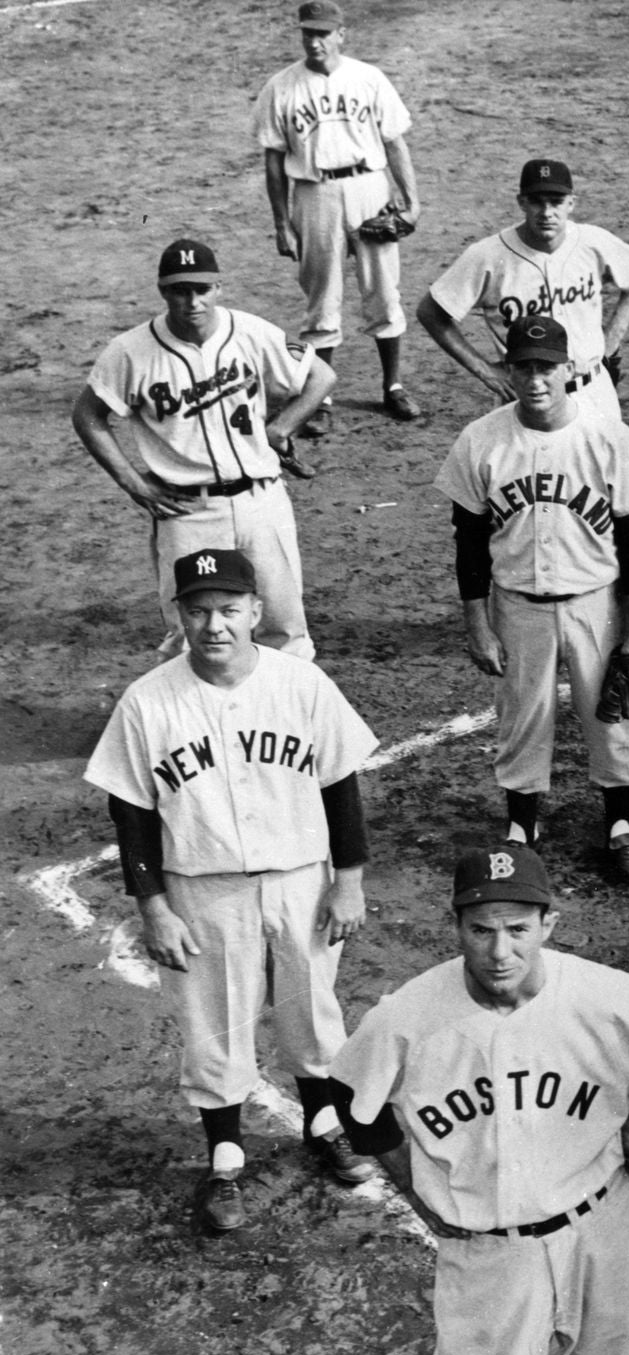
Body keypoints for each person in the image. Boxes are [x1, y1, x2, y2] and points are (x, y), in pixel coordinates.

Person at [330, 844, 629, 1355]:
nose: (499, 951)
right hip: (491, 1250)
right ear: (456, 929)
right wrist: (421, 1198)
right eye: (480, 930)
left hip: (604, 1224)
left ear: (548, 926)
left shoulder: (598, 995)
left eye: (516, 930)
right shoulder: (409, 1016)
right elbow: (352, 1102)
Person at [83, 549, 378, 1235]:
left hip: (300, 879)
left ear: (254, 611)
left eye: (227, 609)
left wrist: (350, 879)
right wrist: (152, 906)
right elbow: (131, 813)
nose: (214, 624)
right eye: (198, 610)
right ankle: (224, 1160)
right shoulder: (147, 700)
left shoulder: (301, 684)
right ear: (179, 614)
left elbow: (340, 785)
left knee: (313, 1015)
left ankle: (324, 1124)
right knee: (214, 1029)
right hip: (201, 889)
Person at [435, 315, 629, 882]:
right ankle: (521, 830)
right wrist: (476, 623)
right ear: (509, 370)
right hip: (518, 604)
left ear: (569, 370)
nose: (534, 379)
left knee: (611, 714)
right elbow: (468, 539)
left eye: (545, 367)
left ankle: (619, 827)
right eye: (522, 367)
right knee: (521, 716)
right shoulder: (481, 438)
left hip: (596, 600)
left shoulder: (607, 435)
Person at [74, 239, 335, 662]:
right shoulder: (129, 351)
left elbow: (320, 376)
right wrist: (133, 484)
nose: (192, 301)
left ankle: (284, 718)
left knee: (284, 628)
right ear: (163, 290)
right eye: (180, 290)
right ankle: (194, 726)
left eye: (202, 289)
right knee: (191, 633)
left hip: (261, 499)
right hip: (188, 512)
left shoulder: (251, 331)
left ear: (219, 288)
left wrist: (282, 427)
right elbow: (88, 415)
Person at [253, 0, 423, 430]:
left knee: (383, 292)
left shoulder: (369, 78)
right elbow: (273, 162)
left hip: (370, 187)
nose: (315, 41)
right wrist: (280, 223)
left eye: (323, 33)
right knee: (322, 302)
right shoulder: (282, 86)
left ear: (341, 34)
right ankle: (320, 397)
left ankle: (394, 387)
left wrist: (412, 202)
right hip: (314, 193)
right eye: (308, 33)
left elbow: (395, 143)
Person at [418, 158, 629, 421]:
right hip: (527, 398)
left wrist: (612, 338)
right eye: (537, 201)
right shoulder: (488, 256)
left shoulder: (593, 242)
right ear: (522, 203)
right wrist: (483, 370)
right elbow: (431, 311)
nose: (546, 211)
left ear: (571, 203)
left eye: (556, 201)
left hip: (592, 390)